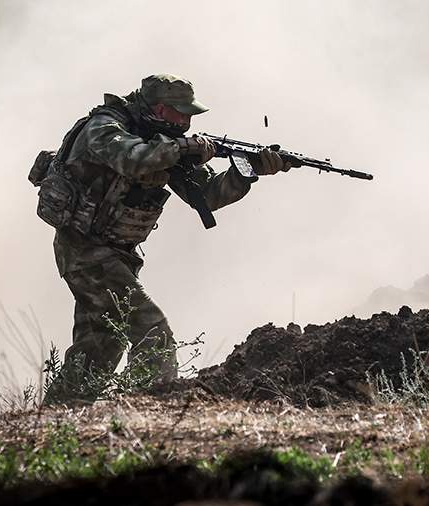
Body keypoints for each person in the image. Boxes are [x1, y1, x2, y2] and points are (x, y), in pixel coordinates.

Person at [36, 74, 292, 401]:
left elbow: (207, 195)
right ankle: (151, 404)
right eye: (181, 113)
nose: (186, 122)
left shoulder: (162, 140)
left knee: (101, 343)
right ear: (159, 108)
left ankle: (61, 414)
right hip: (84, 250)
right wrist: (184, 148)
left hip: (115, 254)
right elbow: (132, 158)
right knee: (152, 330)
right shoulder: (105, 126)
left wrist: (247, 171)